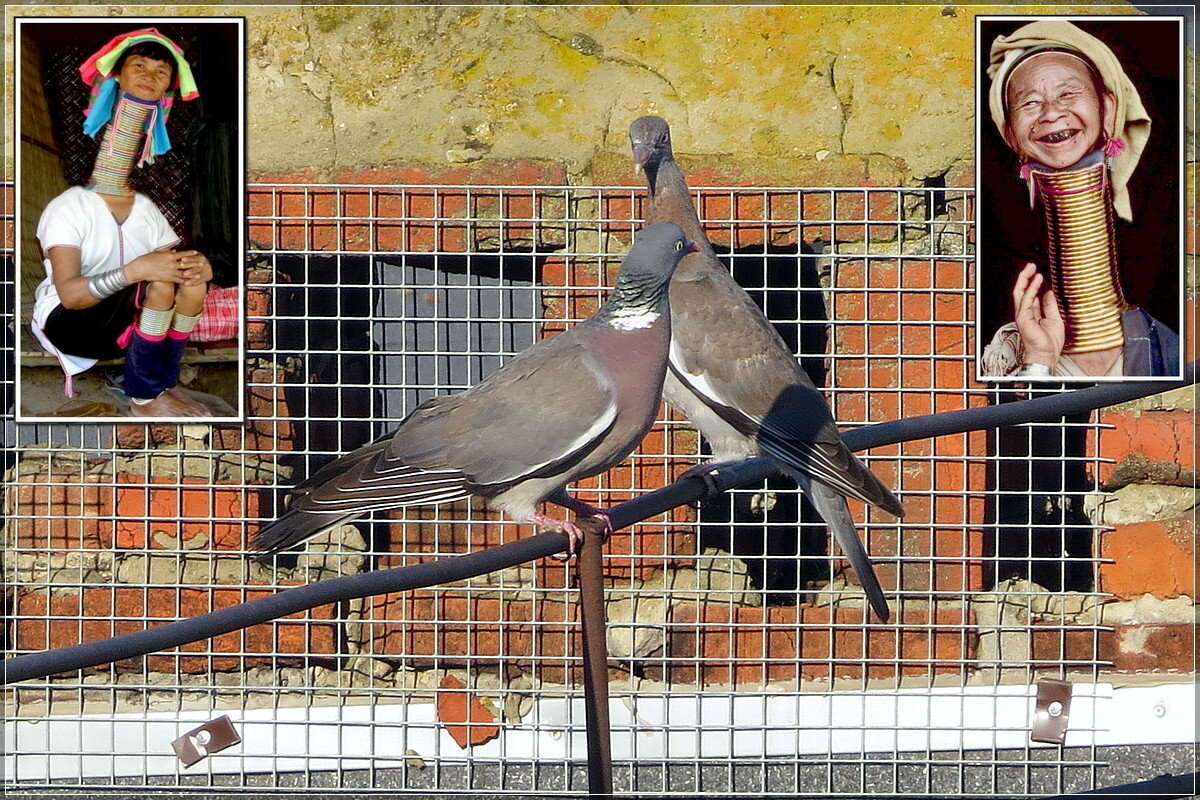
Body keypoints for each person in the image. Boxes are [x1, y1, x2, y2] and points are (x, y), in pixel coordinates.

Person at [980, 20, 1180, 379]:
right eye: (1029, 103)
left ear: (1107, 109)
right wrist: (1039, 360)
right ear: (1010, 132)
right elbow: (1022, 434)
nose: (1051, 113)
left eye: (1068, 94)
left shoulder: (1168, 350)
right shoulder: (1007, 356)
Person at [31, 28, 214, 417]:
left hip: (120, 325)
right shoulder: (68, 207)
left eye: (161, 71)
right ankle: (143, 396)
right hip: (68, 325)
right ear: (119, 76)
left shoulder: (145, 209)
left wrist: (197, 265)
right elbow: (72, 297)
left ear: (168, 87)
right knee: (158, 283)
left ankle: (163, 383)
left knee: (189, 283)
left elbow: (171, 264)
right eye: (140, 65)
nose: (150, 75)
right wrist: (137, 270)